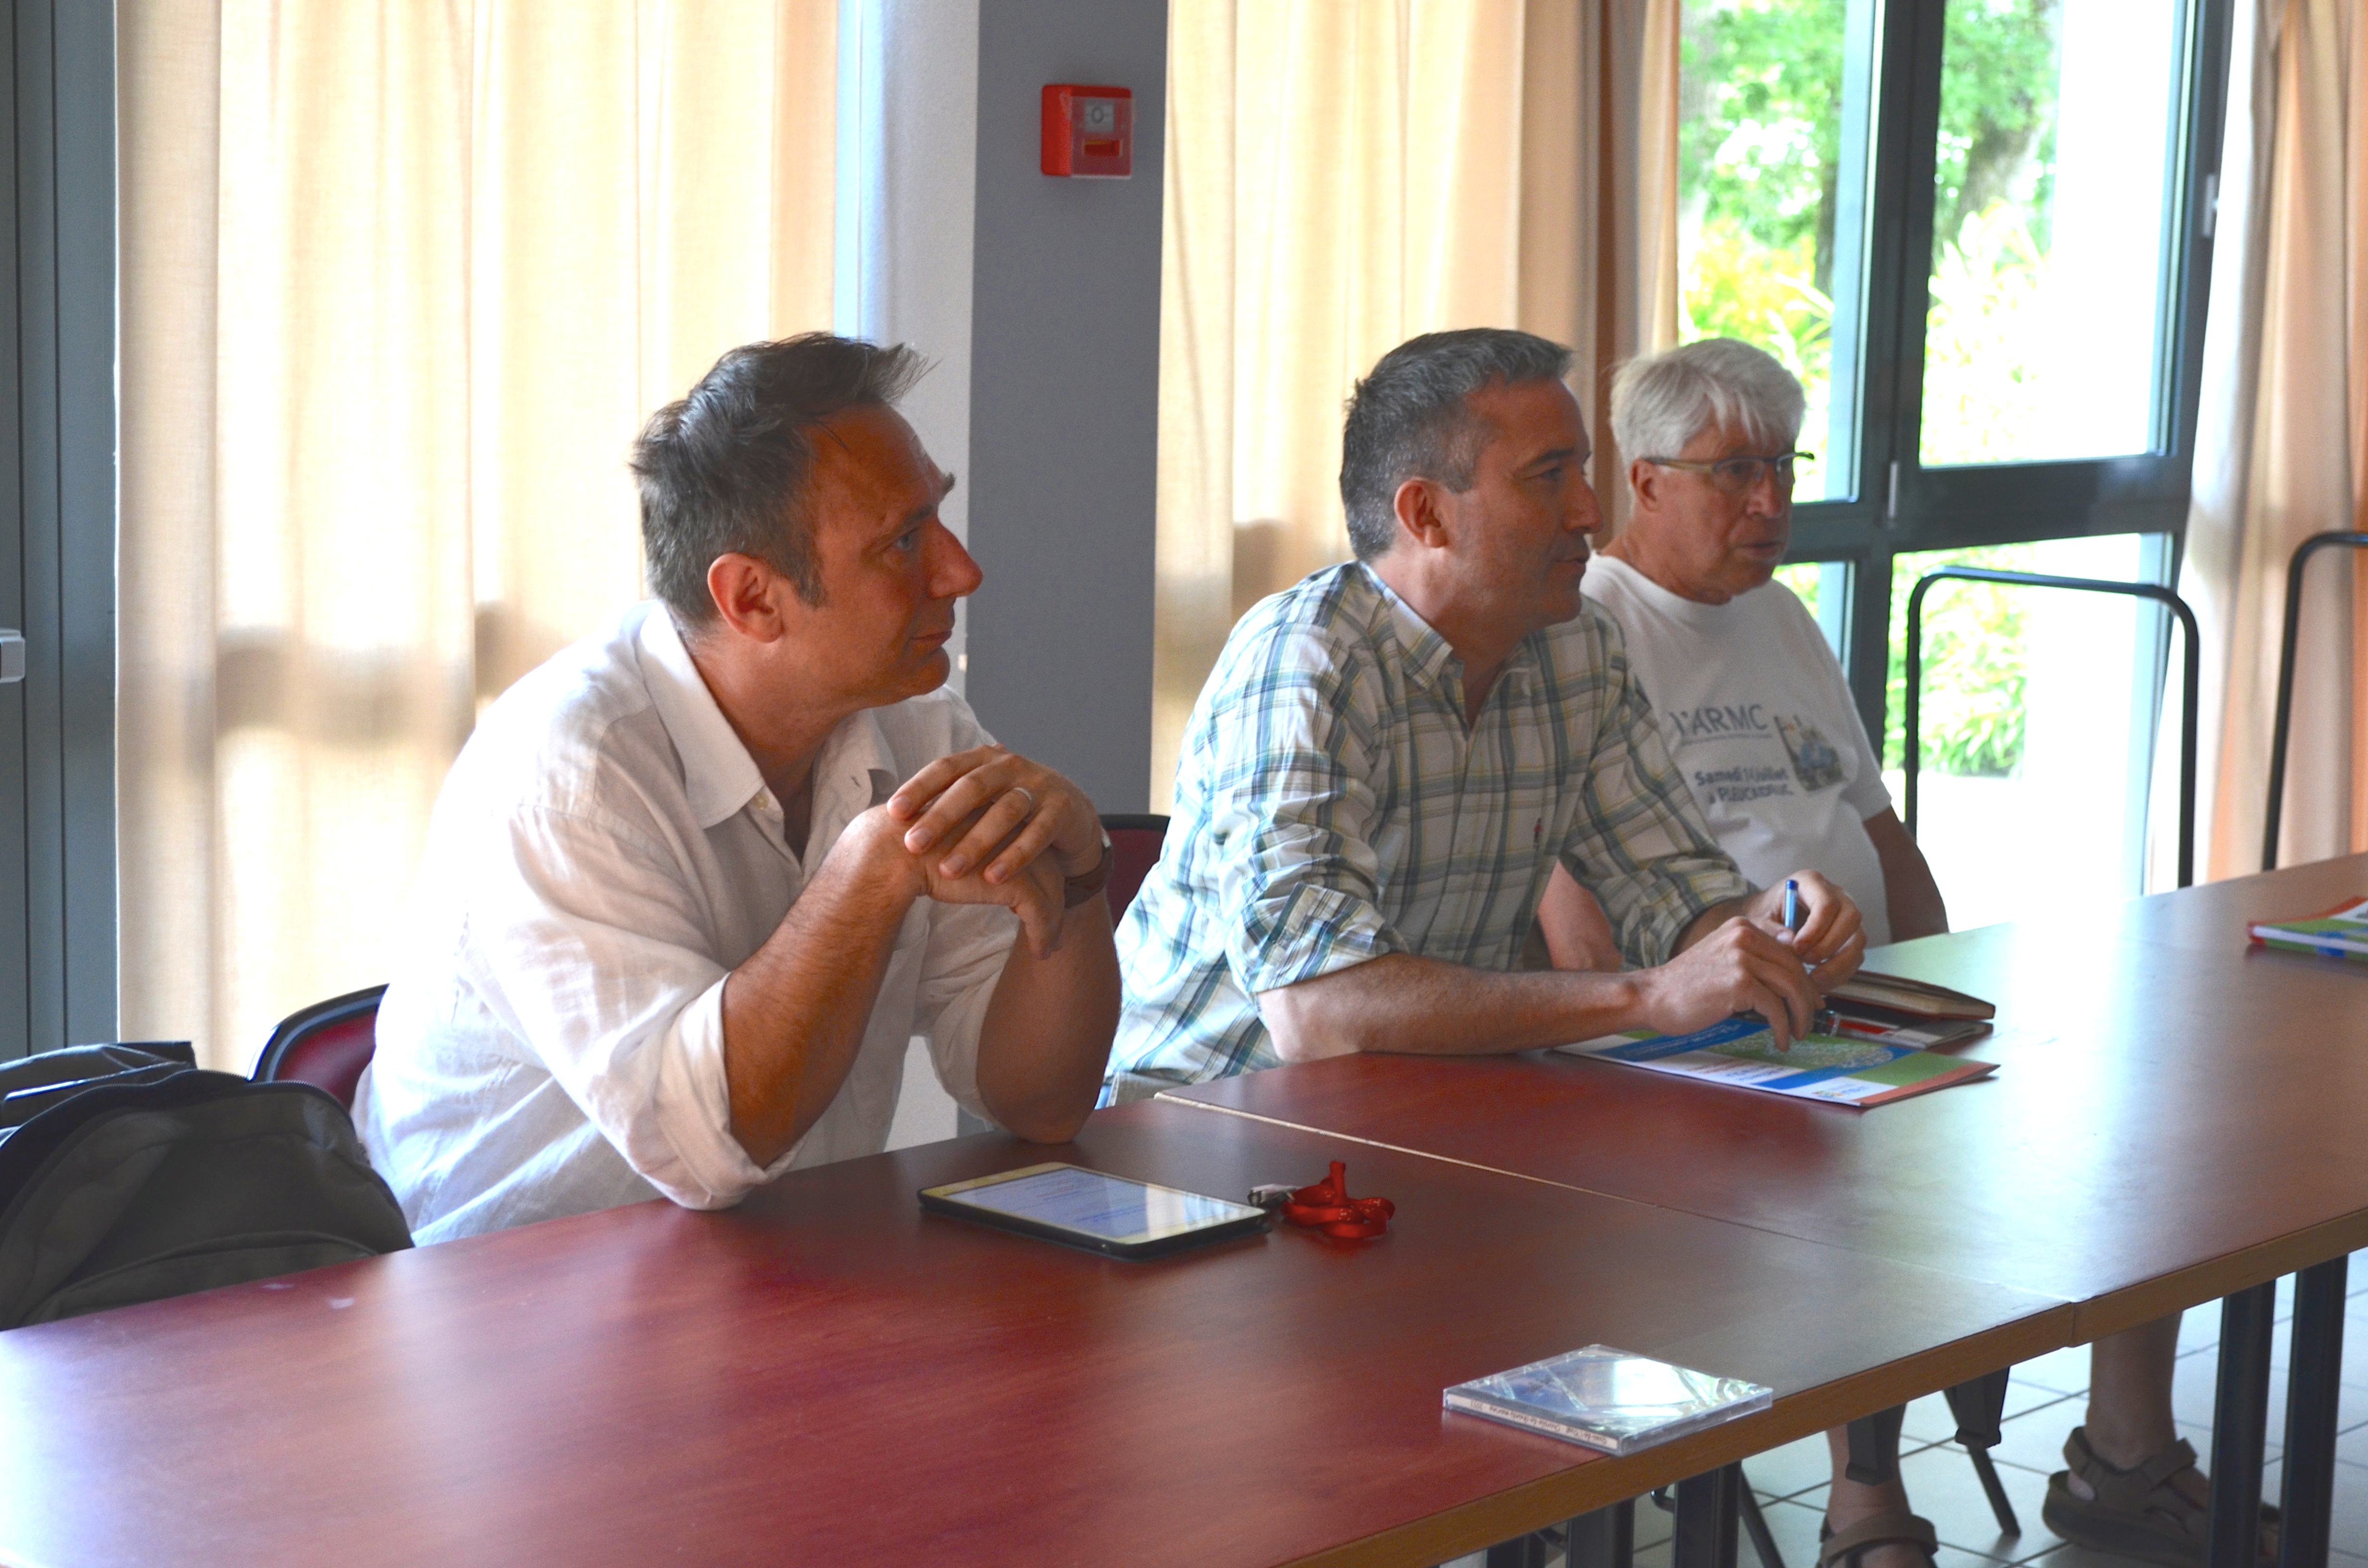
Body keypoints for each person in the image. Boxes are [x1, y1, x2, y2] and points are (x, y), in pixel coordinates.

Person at [1550, 336, 2230, 1568]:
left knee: (2139, 1121)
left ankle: (2126, 1457)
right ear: (1643, 483)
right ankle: (1867, 1502)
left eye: (1783, 465)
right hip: (1705, 1033)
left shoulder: (1783, 619)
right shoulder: (1589, 629)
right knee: (1876, 1169)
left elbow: (1878, 833)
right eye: (1733, 471)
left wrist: (1958, 983)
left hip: (1858, 1001)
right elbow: (1577, 913)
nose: (1770, 502)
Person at [358, 334, 1120, 1243]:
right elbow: (706, 1149)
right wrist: (872, 871)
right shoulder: (567, 771)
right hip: (500, 1319)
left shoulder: (920, 727)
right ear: (753, 599)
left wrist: (1078, 887)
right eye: (904, 541)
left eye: (938, 519)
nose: (961, 572)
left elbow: (1040, 1104)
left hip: (778, 1282)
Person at [1104, 327, 1864, 1107]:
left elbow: (1676, 898)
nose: (1590, 511)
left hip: (1415, 1118)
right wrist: (1645, 995)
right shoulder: (1304, 661)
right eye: (1548, 476)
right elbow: (1318, 1013)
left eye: (1584, 470)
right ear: (1426, 514)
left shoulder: (1578, 648)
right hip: (1197, 1125)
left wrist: (1766, 923)